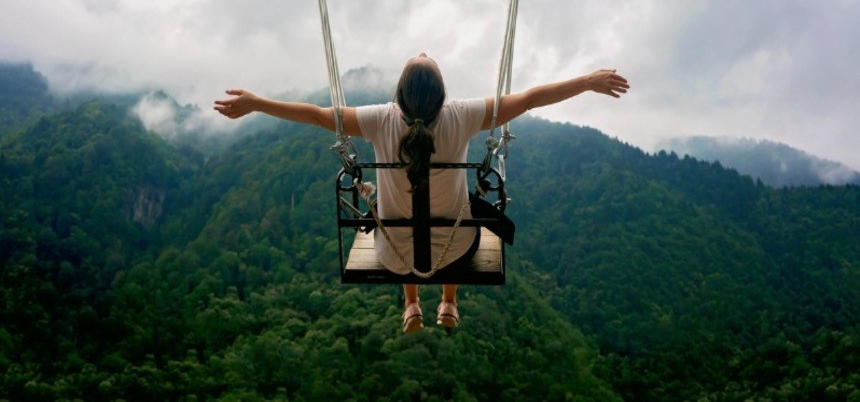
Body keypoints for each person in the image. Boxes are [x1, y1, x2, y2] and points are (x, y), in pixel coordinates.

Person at [214, 54, 629, 333]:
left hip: (394, 257)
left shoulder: (379, 120)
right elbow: (531, 98)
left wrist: (258, 104)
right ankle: (449, 303)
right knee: (464, 213)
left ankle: (410, 304)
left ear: (400, 91)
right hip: (456, 248)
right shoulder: (463, 116)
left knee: (387, 215)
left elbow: (320, 116)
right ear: (441, 92)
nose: (423, 50)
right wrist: (586, 81)